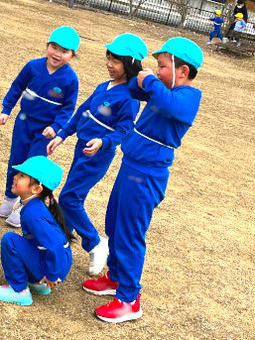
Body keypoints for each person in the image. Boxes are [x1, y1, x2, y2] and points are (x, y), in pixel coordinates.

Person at [82, 37, 203, 323]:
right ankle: (116, 278)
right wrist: (142, 75)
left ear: (182, 71)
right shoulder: (161, 89)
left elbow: (165, 102)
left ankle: (129, 299)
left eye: (162, 66)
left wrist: (150, 81)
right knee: (113, 223)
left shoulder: (186, 97)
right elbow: (135, 88)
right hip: (130, 165)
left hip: (148, 174)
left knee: (130, 233)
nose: (156, 70)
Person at [46, 33, 146, 277]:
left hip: (97, 154)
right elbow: (83, 111)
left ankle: (95, 243)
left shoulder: (130, 98)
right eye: (109, 57)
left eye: (117, 60)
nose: (110, 64)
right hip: (82, 147)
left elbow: (125, 130)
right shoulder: (104, 86)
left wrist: (103, 142)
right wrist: (62, 135)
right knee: (71, 191)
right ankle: (62, 236)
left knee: (70, 197)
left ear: (130, 64)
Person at [0, 26, 80, 228]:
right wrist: (6, 109)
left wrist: (56, 127)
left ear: (72, 55)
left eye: (65, 51)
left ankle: (25, 207)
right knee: (16, 161)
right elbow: (17, 87)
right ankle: (10, 197)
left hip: (45, 132)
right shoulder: (33, 66)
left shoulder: (71, 79)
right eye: (54, 47)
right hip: (24, 122)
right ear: (47, 46)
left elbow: (68, 108)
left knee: (34, 169)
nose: (57, 54)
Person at [0, 156, 75, 306]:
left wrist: (52, 275)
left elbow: (54, 245)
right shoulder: (33, 207)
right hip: (56, 264)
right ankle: (36, 282)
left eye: (22, 176)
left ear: (36, 189)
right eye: (18, 174)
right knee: (22, 242)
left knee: (10, 240)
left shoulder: (33, 214)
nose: (15, 177)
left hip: (55, 268)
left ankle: (19, 291)